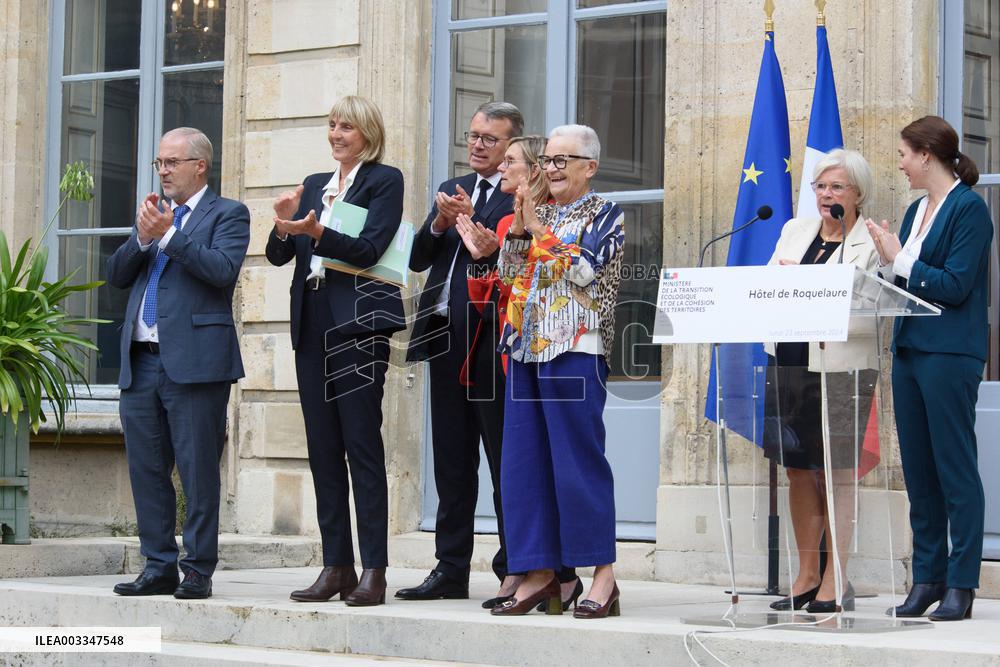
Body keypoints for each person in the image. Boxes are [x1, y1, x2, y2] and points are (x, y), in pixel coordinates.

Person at [266, 96, 405, 607]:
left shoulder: (383, 180)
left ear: (367, 132)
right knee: (323, 450)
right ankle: (336, 565)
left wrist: (319, 231)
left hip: (358, 325)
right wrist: (284, 224)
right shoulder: (315, 184)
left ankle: (374, 569)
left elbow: (370, 249)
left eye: (346, 126)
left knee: (362, 448)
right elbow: (280, 256)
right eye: (331, 125)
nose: (336, 133)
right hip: (314, 320)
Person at [107, 127, 250, 600]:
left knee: (197, 470)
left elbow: (221, 270)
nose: (163, 170)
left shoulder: (228, 213)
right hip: (141, 361)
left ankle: (198, 569)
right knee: (146, 470)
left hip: (196, 363)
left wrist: (168, 235)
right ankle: (158, 565)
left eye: (171, 162)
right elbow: (118, 275)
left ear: (199, 166)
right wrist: (145, 240)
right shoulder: (154, 215)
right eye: (159, 163)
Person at [490, 124, 625, 619]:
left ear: (590, 166)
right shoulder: (536, 214)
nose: (552, 169)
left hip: (575, 347)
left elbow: (584, 270)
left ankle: (602, 576)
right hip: (525, 346)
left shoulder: (605, 213)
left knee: (577, 462)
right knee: (525, 464)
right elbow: (507, 275)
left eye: (563, 160)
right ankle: (541, 573)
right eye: (547, 160)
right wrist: (522, 229)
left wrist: (538, 230)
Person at [866, 115, 993, 622]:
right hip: (910, 350)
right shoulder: (918, 208)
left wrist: (901, 262)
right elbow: (908, 281)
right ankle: (927, 579)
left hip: (949, 353)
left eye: (902, 154)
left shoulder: (970, 210)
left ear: (925, 155)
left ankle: (962, 584)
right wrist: (884, 263)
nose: (899, 164)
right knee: (919, 473)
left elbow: (955, 285)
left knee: (954, 470)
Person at [399, 102, 523, 602]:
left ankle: (515, 568)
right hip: (444, 340)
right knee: (451, 461)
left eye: (489, 139)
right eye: (472, 135)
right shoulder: (456, 190)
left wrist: (490, 243)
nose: (476, 145)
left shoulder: (521, 194)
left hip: (492, 345)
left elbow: (514, 265)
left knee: (502, 459)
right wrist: (437, 225)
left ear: (512, 145)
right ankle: (449, 569)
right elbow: (416, 259)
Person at [458, 135, 583, 611]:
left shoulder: (555, 218)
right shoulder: (508, 219)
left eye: (510, 160)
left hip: (560, 352)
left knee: (556, 466)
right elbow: (501, 288)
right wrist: (485, 259)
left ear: (532, 171)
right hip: (511, 353)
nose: (500, 166)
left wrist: (522, 238)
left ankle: (564, 572)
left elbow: (565, 279)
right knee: (519, 468)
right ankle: (526, 568)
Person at [762, 149, 880, 614]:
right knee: (797, 468)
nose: (826, 196)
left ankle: (837, 577)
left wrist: (811, 288)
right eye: (820, 187)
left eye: (837, 187)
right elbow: (768, 284)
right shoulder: (795, 231)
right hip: (788, 360)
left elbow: (871, 308)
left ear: (857, 194)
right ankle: (807, 572)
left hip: (842, 366)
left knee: (838, 472)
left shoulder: (869, 242)